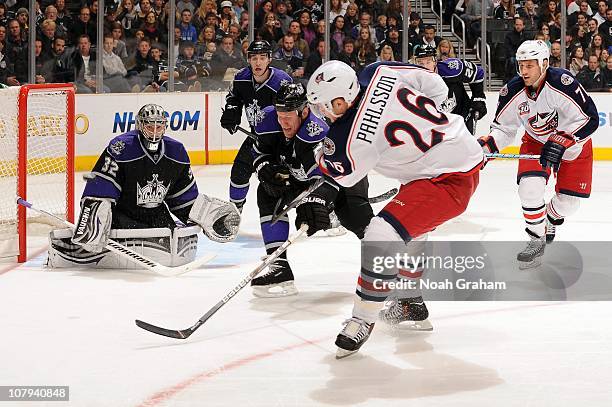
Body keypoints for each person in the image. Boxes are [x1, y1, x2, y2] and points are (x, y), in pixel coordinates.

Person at [306, 60, 482, 358]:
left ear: (342, 99)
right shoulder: (378, 71)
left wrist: (318, 158)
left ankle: (362, 317)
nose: (323, 113)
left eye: (325, 106)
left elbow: (345, 175)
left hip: (446, 179)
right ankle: (410, 302)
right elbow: (435, 85)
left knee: (380, 234)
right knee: (410, 231)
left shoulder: (349, 136)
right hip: (452, 154)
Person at [48, 104, 240, 268]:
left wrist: (203, 212)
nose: (154, 131)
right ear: (140, 125)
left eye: (159, 126)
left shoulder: (176, 151)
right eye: (150, 125)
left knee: (169, 230)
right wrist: (95, 212)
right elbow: (103, 184)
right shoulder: (121, 147)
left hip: (156, 213)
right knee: (110, 221)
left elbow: (182, 196)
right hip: (125, 213)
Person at [478, 40, 598, 268]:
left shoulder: (563, 84)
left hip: (573, 146)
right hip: (535, 143)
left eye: (530, 65)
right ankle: (536, 240)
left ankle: (551, 217)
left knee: (569, 205)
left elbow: (590, 119)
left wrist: (564, 139)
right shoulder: (512, 90)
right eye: (521, 65)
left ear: (544, 64)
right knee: (529, 190)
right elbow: (504, 129)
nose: (523, 71)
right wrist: (487, 148)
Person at [220, 40, 293, 212]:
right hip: (257, 137)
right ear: (249, 59)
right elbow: (234, 97)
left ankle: (325, 207)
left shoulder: (283, 82)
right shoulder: (241, 78)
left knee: (287, 177)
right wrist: (232, 110)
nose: (258, 62)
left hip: (282, 140)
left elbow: (294, 110)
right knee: (239, 172)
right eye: (254, 58)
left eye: (262, 58)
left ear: (269, 59)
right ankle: (234, 212)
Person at [413, 45, 487, 134]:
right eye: (420, 63)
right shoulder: (412, 79)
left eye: (428, 62)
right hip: (435, 126)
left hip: (462, 118)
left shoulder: (451, 68)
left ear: (435, 61)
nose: (425, 67)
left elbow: (478, 72)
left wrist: (478, 98)